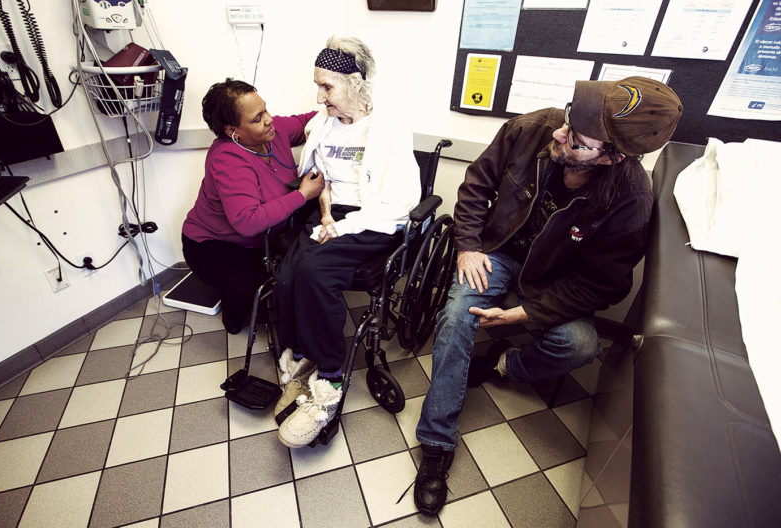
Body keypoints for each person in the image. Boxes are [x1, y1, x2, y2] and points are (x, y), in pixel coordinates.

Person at [412, 76, 683, 515]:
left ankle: (502, 365)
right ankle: (437, 443)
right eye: (568, 120)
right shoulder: (534, 127)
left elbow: (601, 285)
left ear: (612, 157)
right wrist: (468, 246)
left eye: (575, 139)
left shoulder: (631, 200)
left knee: (582, 344)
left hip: (553, 283)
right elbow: (477, 184)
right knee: (456, 317)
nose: (560, 133)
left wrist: (527, 314)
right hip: (495, 254)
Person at [273, 36, 421, 448]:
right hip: (331, 217)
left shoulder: (388, 129)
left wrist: (346, 226)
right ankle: (303, 354)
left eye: (327, 87)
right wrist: (324, 216)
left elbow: (402, 199)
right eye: (317, 85)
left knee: (316, 273)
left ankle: (332, 379)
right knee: (288, 273)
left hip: (374, 219)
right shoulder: (322, 126)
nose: (319, 97)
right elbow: (323, 182)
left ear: (355, 83)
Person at [181, 79, 324, 334]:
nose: (269, 120)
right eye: (257, 118)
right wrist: (302, 194)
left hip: (262, 239)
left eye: (265, 110)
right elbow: (248, 221)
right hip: (214, 244)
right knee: (247, 288)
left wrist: (339, 109)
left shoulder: (273, 131)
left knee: (294, 272)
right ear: (233, 132)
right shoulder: (228, 159)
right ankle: (234, 316)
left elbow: (309, 122)